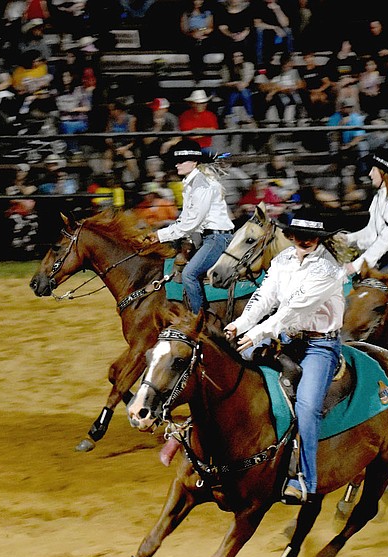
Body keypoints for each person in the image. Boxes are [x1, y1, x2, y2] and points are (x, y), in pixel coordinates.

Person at [224, 209, 345, 504]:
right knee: (229, 370)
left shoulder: (328, 271)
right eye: (299, 235)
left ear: (319, 239)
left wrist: (256, 334)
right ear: (290, 236)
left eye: (311, 237)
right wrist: (239, 324)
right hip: (286, 338)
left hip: (319, 346)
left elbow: (293, 309)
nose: (305, 241)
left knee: (307, 407)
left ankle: (304, 480)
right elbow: (264, 297)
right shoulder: (282, 261)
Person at [144, 139, 234, 314]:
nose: (177, 164)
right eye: (176, 161)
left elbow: (191, 223)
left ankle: (197, 318)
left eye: (181, 161)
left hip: (217, 239)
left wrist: (160, 235)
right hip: (207, 238)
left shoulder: (201, 185)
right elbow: (186, 220)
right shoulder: (192, 183)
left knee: (189, 274)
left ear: (194, 162)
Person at [341, 147, 388, 283]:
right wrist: (347, 239)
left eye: (373, 169)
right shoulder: (379, 198)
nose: (370, 174)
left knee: (372, 288)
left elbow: (386, 238)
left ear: (384, 173)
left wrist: (357, 265)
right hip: (387, 256)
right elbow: (372, 232)